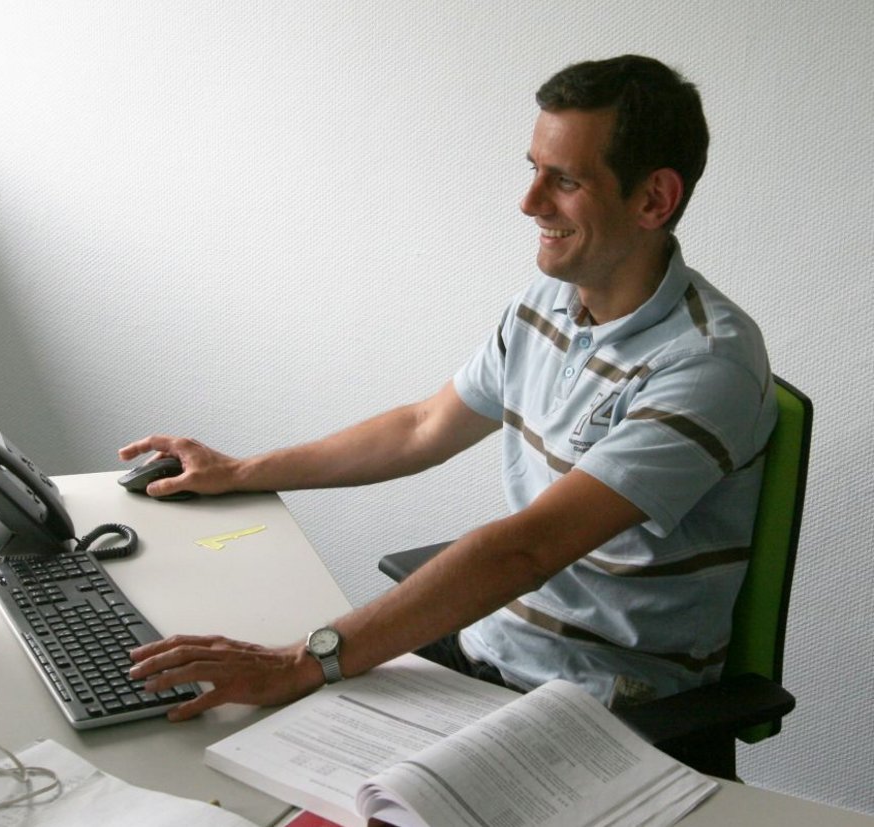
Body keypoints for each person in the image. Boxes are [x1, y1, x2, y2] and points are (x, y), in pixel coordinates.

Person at [122, 55, 778, 720]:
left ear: (653, 199)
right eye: (533, 169)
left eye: (565, 180)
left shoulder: (706, 362)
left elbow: (527, 549)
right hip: (490, 648)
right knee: (239, 739)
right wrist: (241, 471)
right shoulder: (547, 303)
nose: (529, 202)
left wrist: (300, 661)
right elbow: (422, 426)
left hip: (601, 700)